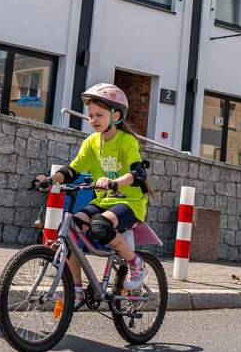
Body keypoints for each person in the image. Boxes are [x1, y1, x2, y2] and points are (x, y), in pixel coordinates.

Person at [35, 83, 154, 307]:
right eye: (90, 116)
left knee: (100, 226)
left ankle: (136, 263)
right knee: (69, 230)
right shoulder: (91, 142)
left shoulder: (126, 141)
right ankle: (77, 291)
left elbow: (137, 173)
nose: (93, 120)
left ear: (116, 115)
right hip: (103, 201)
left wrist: (115, 182)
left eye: (99, 115)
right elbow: (72, 171)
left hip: (129, 202)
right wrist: (50, 180)